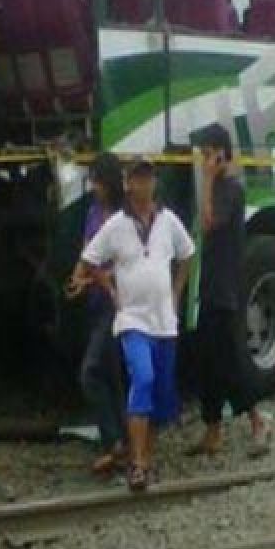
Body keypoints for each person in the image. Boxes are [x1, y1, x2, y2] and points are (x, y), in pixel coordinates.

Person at [73, 158, 195, 492]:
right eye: (136, 179)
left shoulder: (168, 221)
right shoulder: (115, 225)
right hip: (132, 320)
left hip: (164, 322)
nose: (142, 184)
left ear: (154, 182)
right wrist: (108, 284)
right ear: (127, 184)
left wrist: (176, 293)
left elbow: (187, 255)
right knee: (142, 377)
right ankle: (138, 464)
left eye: (147, 178)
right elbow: (85, 263)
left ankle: (146, 455)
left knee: (161, 393)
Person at [186, 123, 271, 457]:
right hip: (209, 284)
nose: (204, 161)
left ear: (221, 154)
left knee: (228, 359)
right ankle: (213, 429)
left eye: (208, 154)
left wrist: (206, 178)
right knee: (205, 358)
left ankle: (257, 420)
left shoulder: (231, 189)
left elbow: (208, 222)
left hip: (224, 287)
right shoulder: (217, 187)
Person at [66, 153, 127, 475]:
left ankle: (114, 441)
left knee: (91, 372)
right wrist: (81, 278)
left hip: (115, 305)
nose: (94, 188)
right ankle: (122, 442)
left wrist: (93, 278)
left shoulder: (122, 218)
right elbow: (88, 252)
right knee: (111, 374)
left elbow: (124, 265)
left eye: (98, 182)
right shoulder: (93, 213)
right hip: (96, 303)